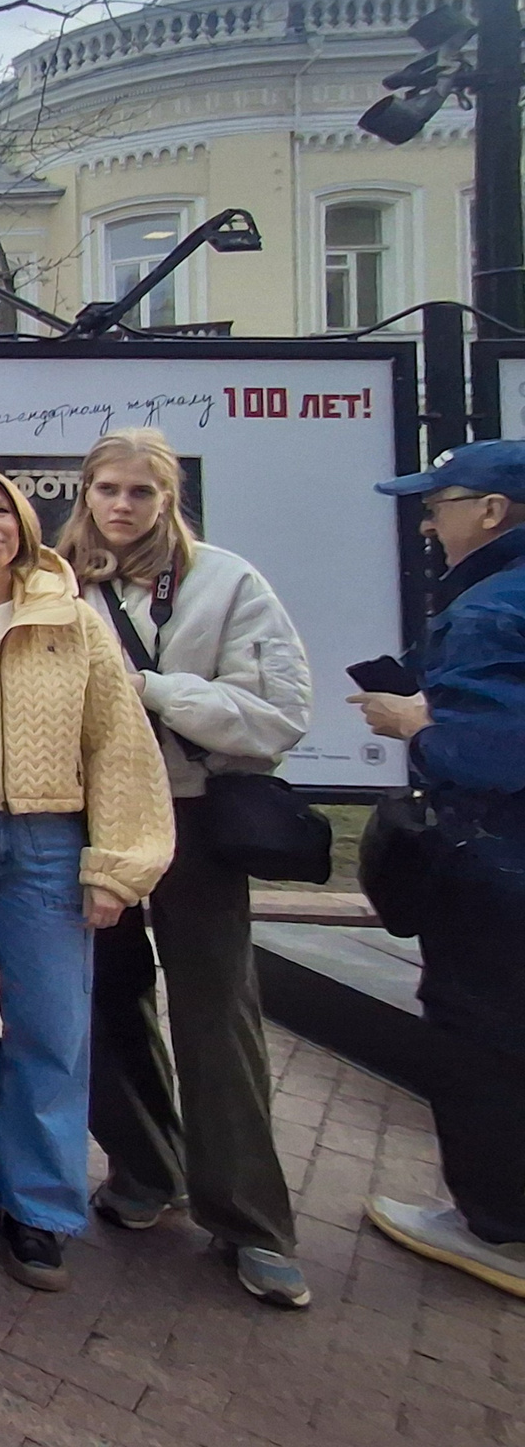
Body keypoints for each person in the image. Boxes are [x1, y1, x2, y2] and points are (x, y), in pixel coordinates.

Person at [58, 428, 316, 1309]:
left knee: (217, 1015)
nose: (122, 507)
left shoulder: (228, 582)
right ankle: (143, 1168)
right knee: (104, 1001)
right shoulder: (63, 580)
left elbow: (279, 715)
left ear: (169, 500)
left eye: (141, 493)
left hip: (196, 821)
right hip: (92, 819)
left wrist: (157, 690)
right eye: (108, 490)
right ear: (85, 493)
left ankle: (250, 1221)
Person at [0, 468, 172, 1292]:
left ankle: (43, 1210)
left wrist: (117, 866)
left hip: (48, 840)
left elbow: (118, 743)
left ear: (21, 523)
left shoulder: (71, 619)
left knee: (50, 1027)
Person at [358, 440, 525, 1298]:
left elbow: (495, 752)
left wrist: (413, 723)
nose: (427, 520)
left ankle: (494, 1225)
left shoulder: (491, 612)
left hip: (495, 865)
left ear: (491, 512)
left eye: (438, 503)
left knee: (482, 1037)